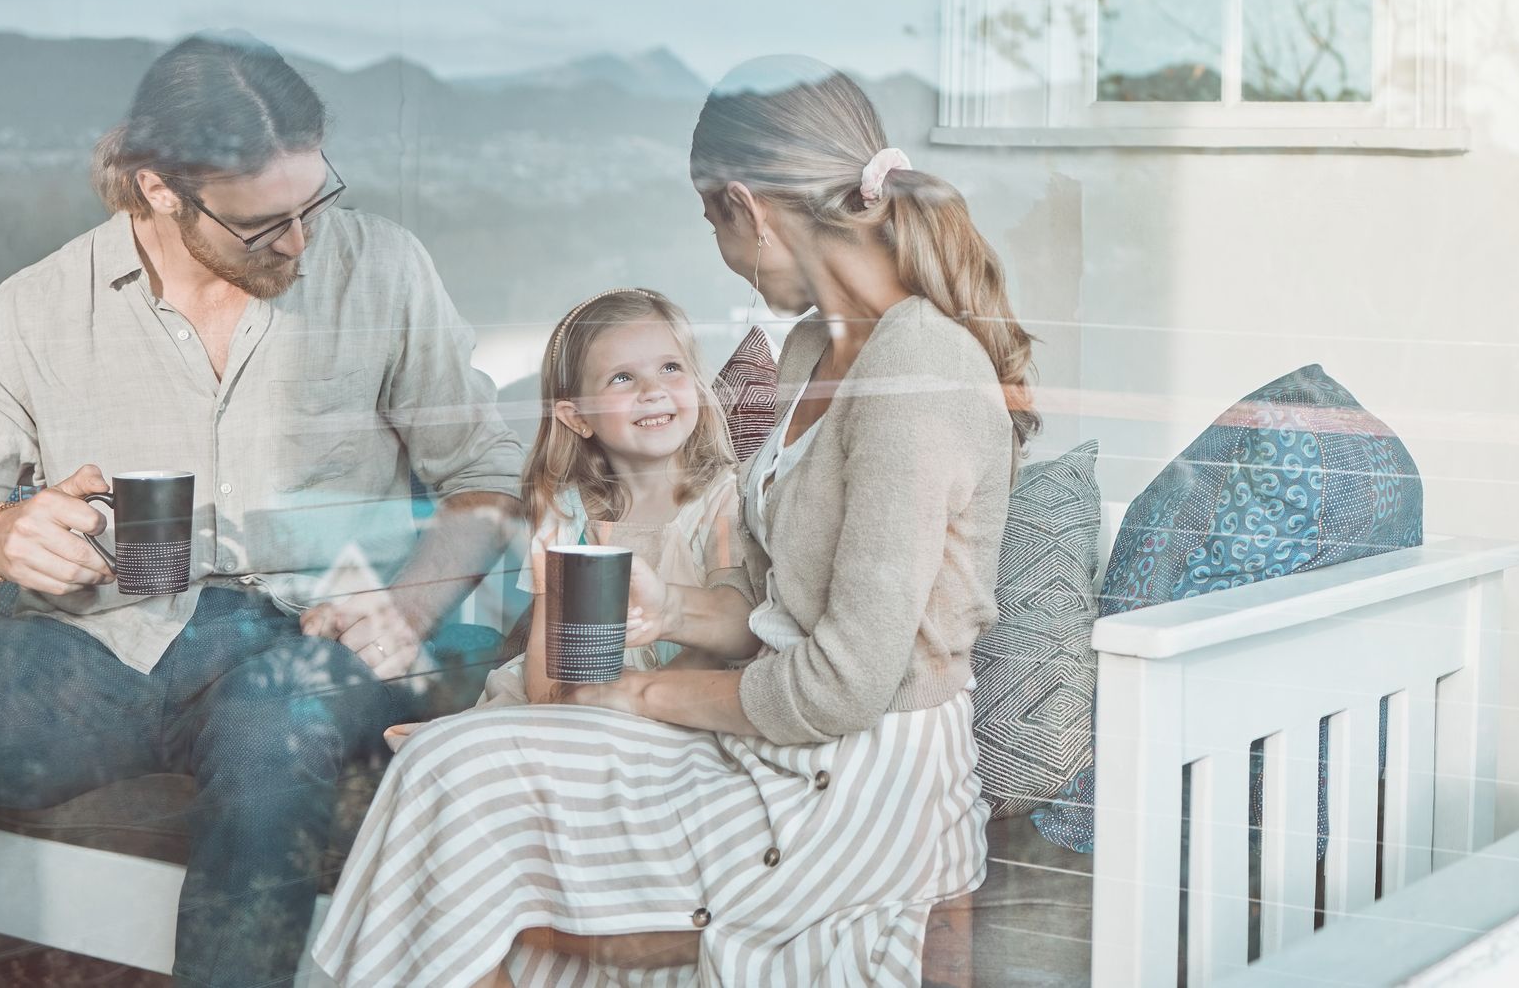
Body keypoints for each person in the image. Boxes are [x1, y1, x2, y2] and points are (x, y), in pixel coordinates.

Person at [0, 33, 524, 988]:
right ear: (159, 187)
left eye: (313, 204)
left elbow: (488, 471)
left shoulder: (383, 268)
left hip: (315, 637)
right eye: (264, 225)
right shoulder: (35, 310)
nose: (301, 243)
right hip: (101, 657)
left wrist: (411, 603)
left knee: (272, 713)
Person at [311, 54, 1041, 986]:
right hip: (786, 735)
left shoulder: (916, 373)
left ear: (748, 205)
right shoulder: (820, 344)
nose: (721, 253)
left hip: (861, 780)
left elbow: (843, 685)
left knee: (456, 780)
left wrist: (642, 696)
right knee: (453, 766)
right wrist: (672, 611)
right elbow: (779, 605)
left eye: (713, 222)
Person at [475, 287, 745, 710]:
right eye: (623, 377)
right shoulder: (565, 513)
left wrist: (635, 701)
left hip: (686, 702)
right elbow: (548, 658)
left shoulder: (723, 499)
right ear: (577, 417)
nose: (653, 390)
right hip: (582, 704)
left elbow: (736, 628)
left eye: (671, 367)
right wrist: (566, 709)